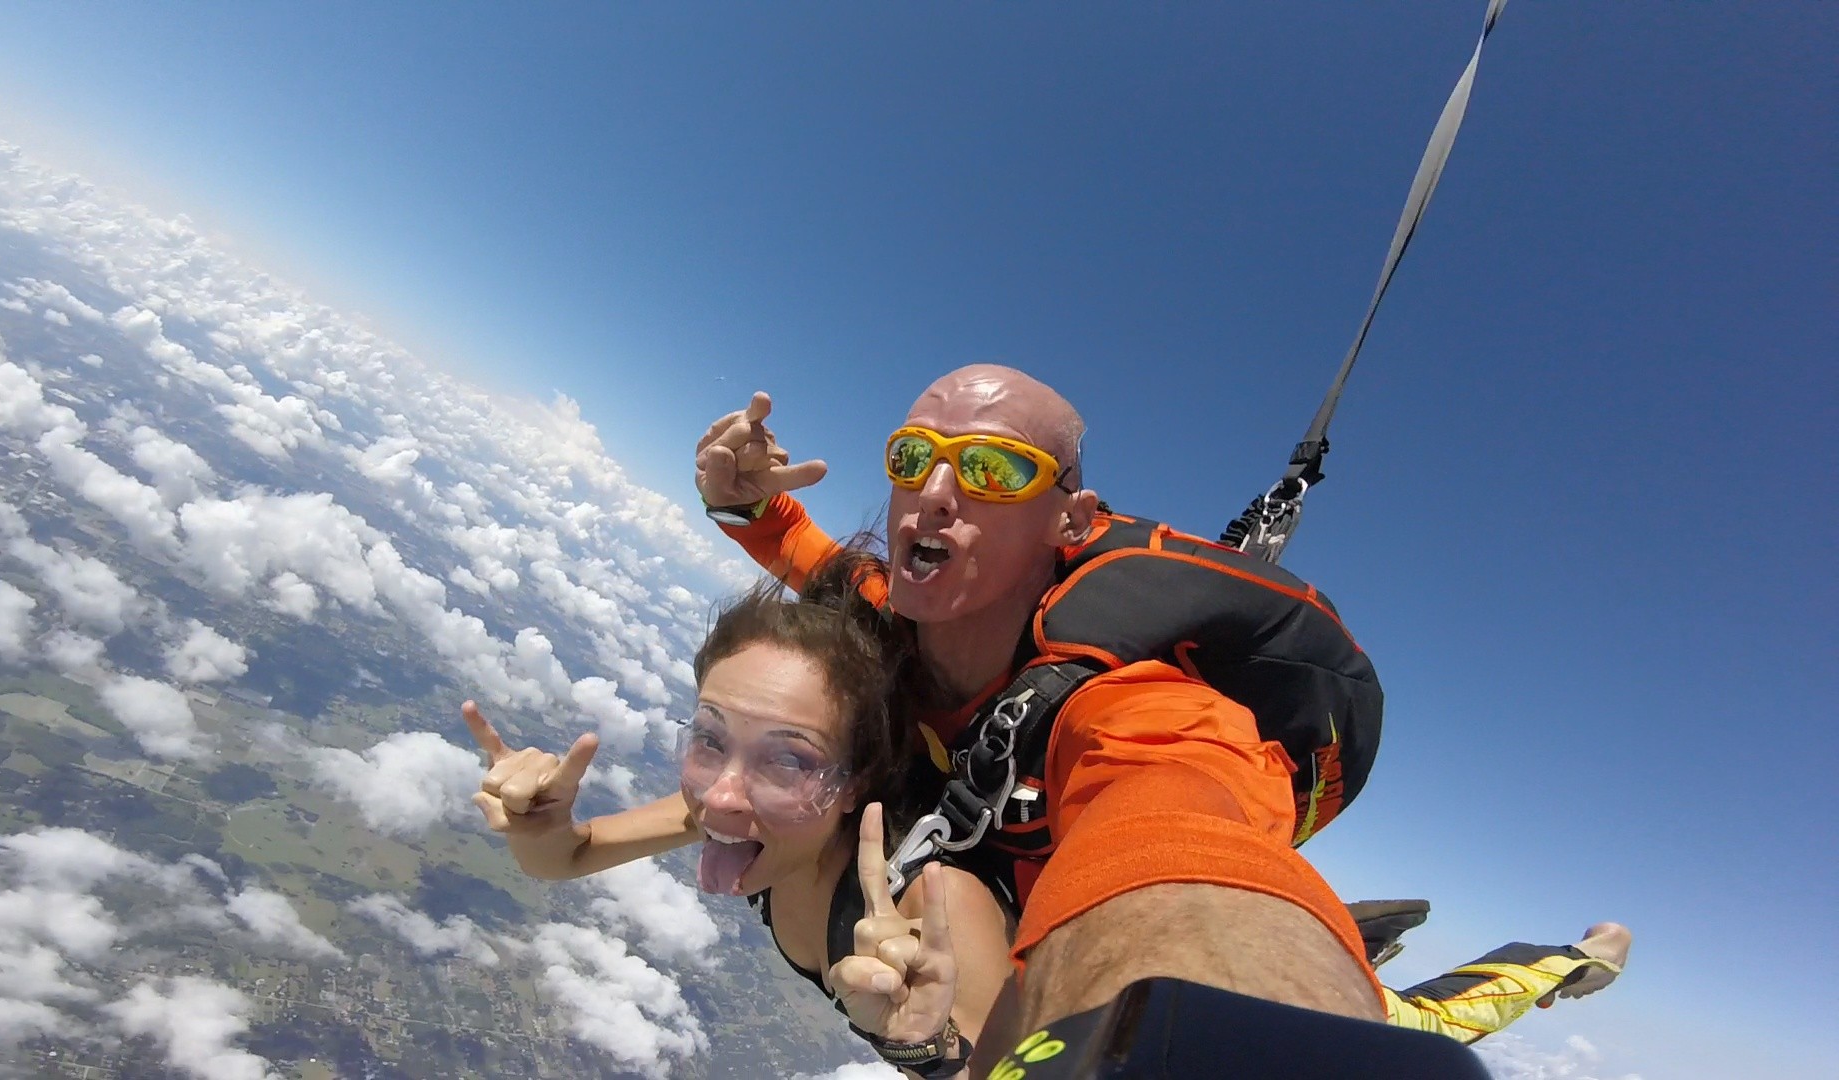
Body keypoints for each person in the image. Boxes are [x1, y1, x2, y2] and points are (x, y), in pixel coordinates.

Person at [689, 366, 1629, 1062]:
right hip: (1024, 855)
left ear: (1071, 519)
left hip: (1104, 863)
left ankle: (1573, 956)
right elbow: (821, 564)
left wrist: (1194, 1028)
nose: (936, 492)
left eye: (992, 469)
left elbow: (1175, 825)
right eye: (913, 458)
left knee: (1408, 1021)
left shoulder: (1133, 707)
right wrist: (749, 505)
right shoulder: (895, 615)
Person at [466, 550, 1015, 1075]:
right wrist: (541, 825)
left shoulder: (937, 906)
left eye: (788, 760)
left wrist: (926, 1047)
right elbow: (565, 858)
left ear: (856, 785)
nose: (723, 796)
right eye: (709, 738)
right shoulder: (742, 820)